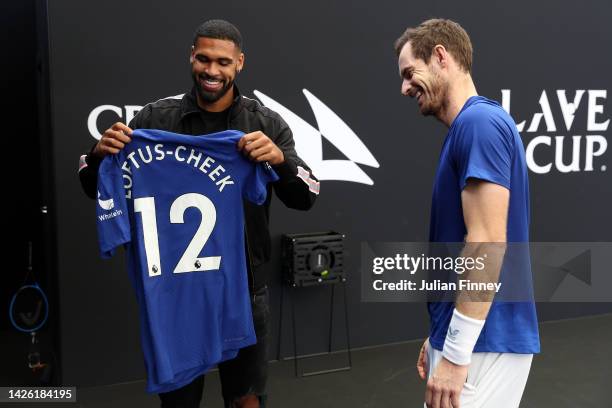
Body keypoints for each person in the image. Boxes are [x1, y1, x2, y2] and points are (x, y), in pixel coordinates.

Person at [78, 19, 319, 408]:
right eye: (204, 59)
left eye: (223, 62)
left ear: (239, 63)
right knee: (178, 400)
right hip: (176, 291)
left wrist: (279, 162)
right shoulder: (154, 121)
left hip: (243, 289)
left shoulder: (265, 125)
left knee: (246, 399)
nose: (212, 70)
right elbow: (92, 183)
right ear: (191, 57)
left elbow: (307, 195)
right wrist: (98, 155)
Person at [394, 19, 540, 408]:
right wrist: (440, 333)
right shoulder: (468, 128)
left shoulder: (479, 124)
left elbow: (487, 242)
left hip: (483, 343)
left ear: (441, 56)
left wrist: (456, 352)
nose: (404, 87)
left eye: (410, 73)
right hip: (473, 336)